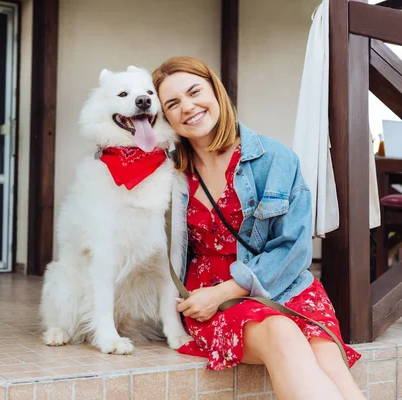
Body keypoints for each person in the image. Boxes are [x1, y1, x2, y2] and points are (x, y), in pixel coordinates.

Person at [152, 56, 363, 400]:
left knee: (331, 364)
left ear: (216, 91)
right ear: (165, 117)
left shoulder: (277, 159)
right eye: (172, 103)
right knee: (280, 332)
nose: (188, 107)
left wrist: (225, 291)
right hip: (209, 297)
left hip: (287, 286)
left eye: (194, 92)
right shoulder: (168, 173)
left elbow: (292, 248)